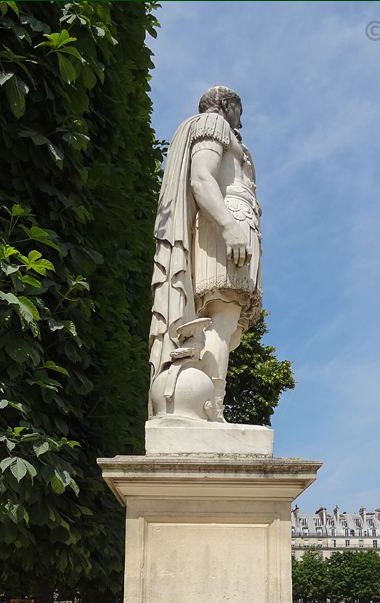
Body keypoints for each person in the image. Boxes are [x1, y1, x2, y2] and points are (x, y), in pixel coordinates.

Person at [149, 86, 262, 422]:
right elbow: (200, 178)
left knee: (227, 327)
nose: (241, 118)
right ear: (226, 106)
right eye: (239, 110)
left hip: (235, 223)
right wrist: (229, 226)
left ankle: (209, 407)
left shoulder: (226, 135)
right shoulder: (213, 125)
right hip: (227, 222)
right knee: (221, 319)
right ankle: (212, 412)